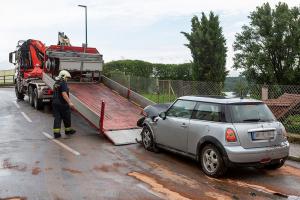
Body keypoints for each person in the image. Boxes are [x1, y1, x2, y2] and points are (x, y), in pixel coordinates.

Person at [52, 70, 76, 138]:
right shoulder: (63, 83)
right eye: (67, 77)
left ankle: (56, 133)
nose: (67, 79)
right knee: (67, 116)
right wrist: (70, 103)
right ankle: (68, 131)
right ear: (63, 76)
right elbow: (64, 93)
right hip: (62, 103)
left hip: (55, 103)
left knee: (57, 118)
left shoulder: (56, 83)